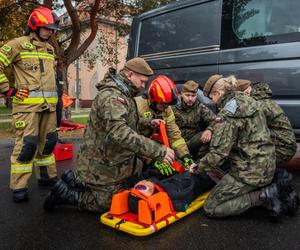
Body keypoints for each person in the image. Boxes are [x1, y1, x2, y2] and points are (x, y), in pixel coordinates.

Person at [44, 57, 175, 212]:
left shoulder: (124, 94)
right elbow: (119, 133)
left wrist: (147, 123)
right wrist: (158, 151)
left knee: (129, 192)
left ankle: (76, 180)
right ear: (130, 75)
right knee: (110, 204)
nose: (143, 85)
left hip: (113, 163)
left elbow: (126, 124)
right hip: (101, 164)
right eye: (142, 81)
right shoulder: (112, 96)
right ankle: (66, 194)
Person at [190, 74, 291, 220]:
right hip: (268, 164)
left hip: (250, 172)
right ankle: (261, 188)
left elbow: (219, 154)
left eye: (211, 97)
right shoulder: (248, 100)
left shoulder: (227, 114)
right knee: (215, 170)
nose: (212, 101)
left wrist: (197, 167)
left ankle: (263, 196)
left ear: (217, 93)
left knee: (211, 207)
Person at [0, 7, 60, 202]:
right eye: (46, 28)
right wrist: (7, 90)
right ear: (34, 26)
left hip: (49, 107)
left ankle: (46, 177)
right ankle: (19, 187)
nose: (49, 32)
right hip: (26, 108)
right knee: (27, 146)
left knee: (49, 143)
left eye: (51, 29)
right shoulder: (18, 44)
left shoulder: (50, 49)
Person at [135, 75, 194, 177]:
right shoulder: (137, 106)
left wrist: (185, 156)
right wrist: (152, 160)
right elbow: (132, 140)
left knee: (176, 170)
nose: (165, 108)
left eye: (168, 105)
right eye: (163, 105)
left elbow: (174, 134)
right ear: (153, 100)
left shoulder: (166, 109)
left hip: (158, 149)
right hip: (139, 152)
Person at [237, 80, 297, 165]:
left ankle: (279, 175)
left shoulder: (258, 105)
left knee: (242, 157)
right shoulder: (262, 101)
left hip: (282, 150)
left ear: (246, 93)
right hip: (283, 145)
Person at [172, 80, 215, 159]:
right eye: (187, 95)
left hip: (192, 142)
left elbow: (215, 121)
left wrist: (209, 130)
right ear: (181, 94)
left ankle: (201, 160)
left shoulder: (200, 107)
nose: (190, 98)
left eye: (193, 95)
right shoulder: (173, 107)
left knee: (207, 135)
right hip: (176, 143)